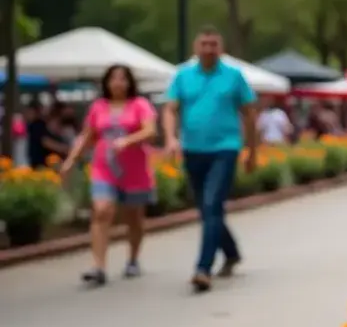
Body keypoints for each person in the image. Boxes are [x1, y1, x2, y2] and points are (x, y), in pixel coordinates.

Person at [162, 27, 257, 293]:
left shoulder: (234, 76)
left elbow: (250, 114)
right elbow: (170, 109)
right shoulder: (183, 76)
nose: (208, 49)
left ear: (221, 47)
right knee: (207, 210)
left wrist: (252, 151)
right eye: (204, 44)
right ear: (196, 47)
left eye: (213, 44)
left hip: (225, 148)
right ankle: (232, 252)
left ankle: (203, 268)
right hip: (193, 149)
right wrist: (170, 138)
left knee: (212, 203)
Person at [61, 65, 158, 287]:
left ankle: (133, 259)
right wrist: (70, 161)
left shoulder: (140, 105)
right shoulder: (98, 107)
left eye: (123, 79)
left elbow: (150, 131)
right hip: (104, 167)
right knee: (102, 211)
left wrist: (128, 140)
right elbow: (86, 137)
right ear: (105, 83)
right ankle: (98, 267)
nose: (117, 83)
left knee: (133, 217)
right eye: (113, 78)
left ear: (130, 83)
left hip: (134, 170)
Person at [26, 102, 68, 169]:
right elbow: (46, 142)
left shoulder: (37, 124)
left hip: (41, 163)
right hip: (41, 162)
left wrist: (63, 149)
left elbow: (45, 141)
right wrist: (64, 148)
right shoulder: (35, 125)